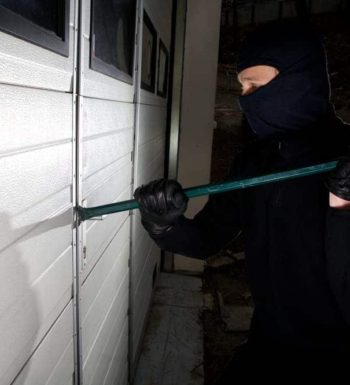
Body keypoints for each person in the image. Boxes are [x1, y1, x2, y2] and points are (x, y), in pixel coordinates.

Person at [134, 20, 350, 381]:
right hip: (267, 342)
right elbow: (208, 237)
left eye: (256, 85)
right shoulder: (254, 161)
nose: (245, 99)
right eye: (243, 87)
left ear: (300, 79)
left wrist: (343, 209)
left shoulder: (344, 156)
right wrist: (165, 224)